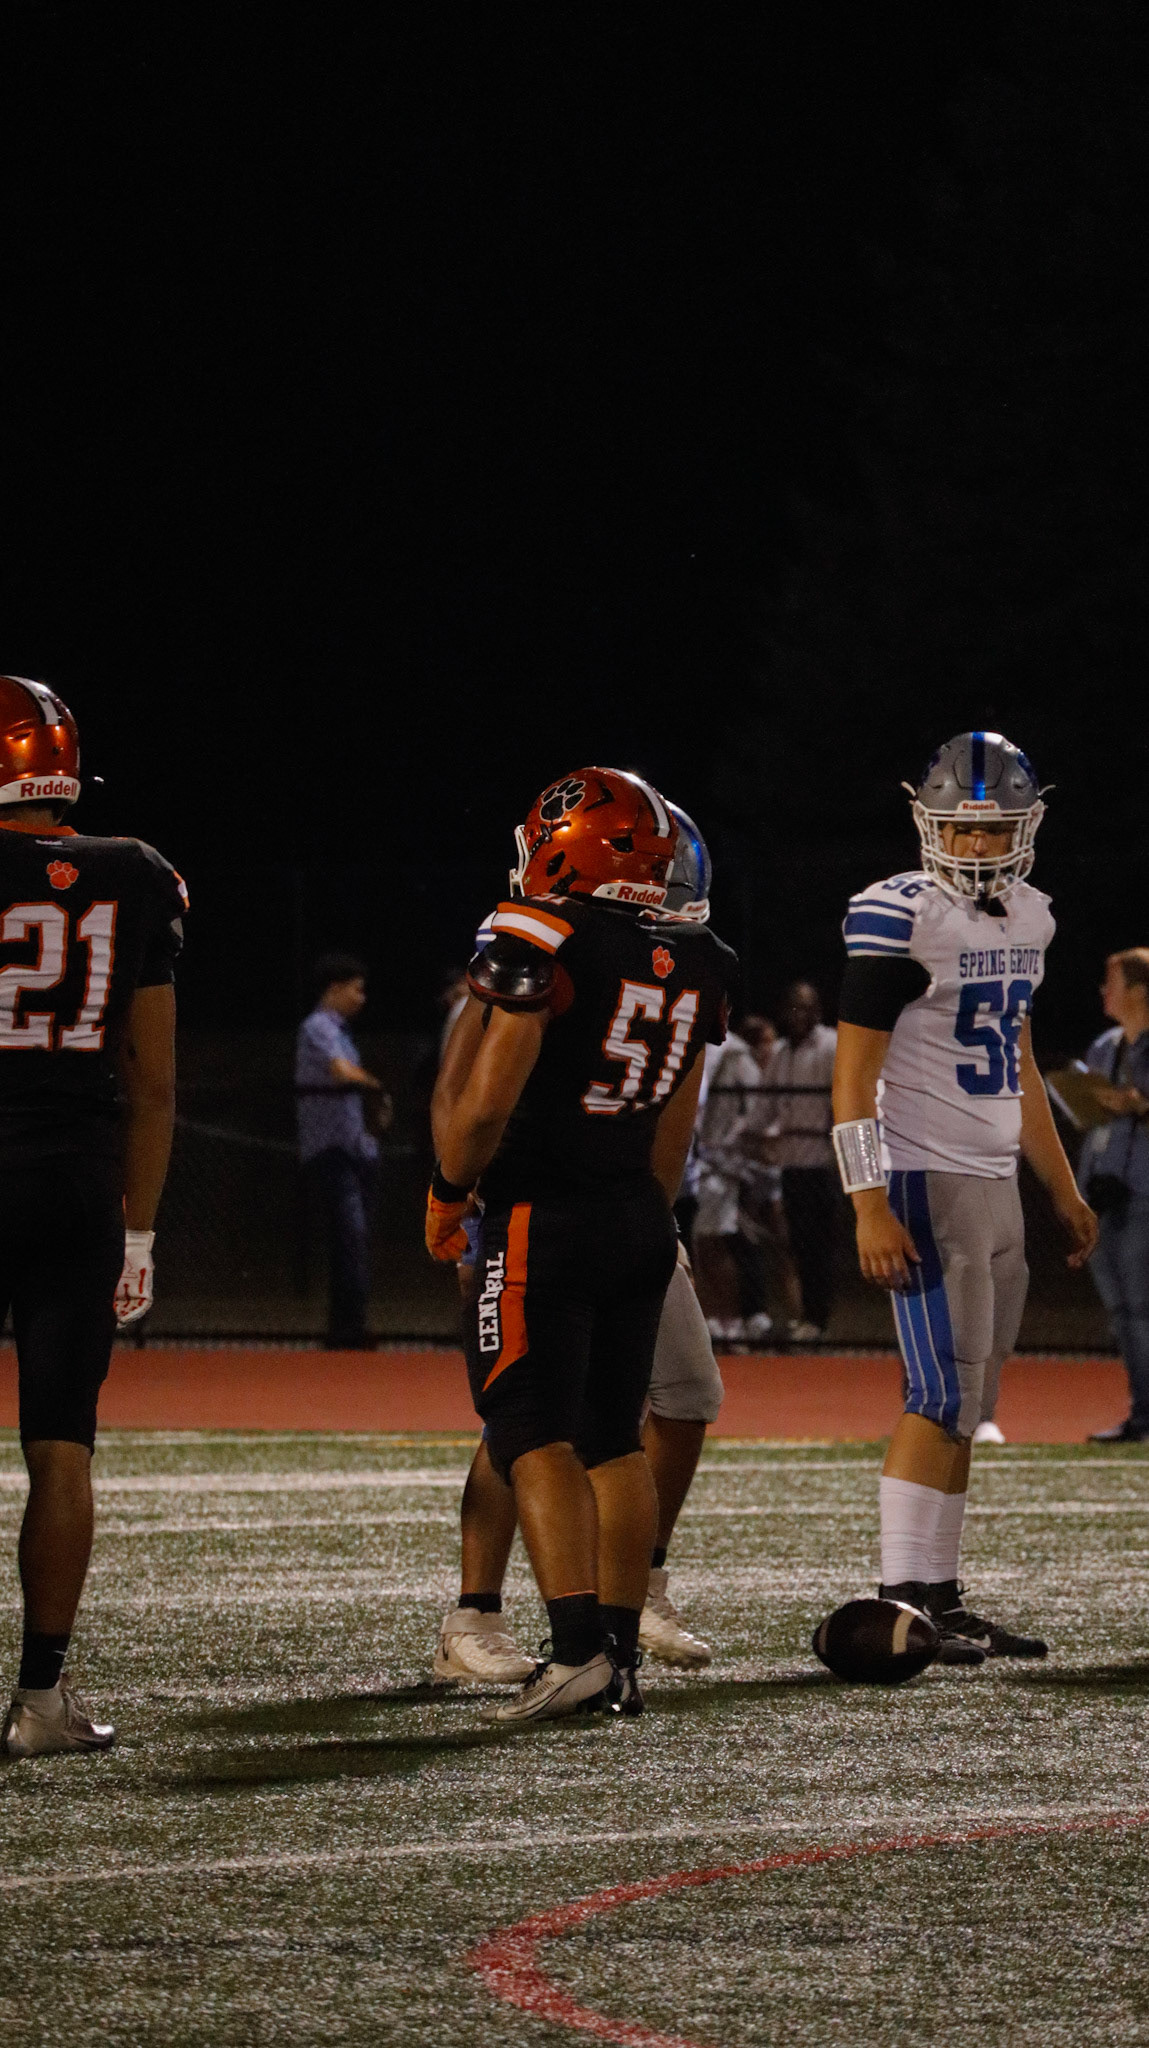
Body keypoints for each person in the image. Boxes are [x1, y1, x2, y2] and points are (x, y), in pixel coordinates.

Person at [425, 768, 737, 1724]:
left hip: (542, 1214)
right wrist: (648, 1218)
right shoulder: (700, 958)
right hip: (635, 1212)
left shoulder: (542, 933)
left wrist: (447, 1190)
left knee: (531, 1432)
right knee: (612, 1437)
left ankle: (573, 1654)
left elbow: (485, 1103)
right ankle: (619, 1651)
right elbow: (673, 1129)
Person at [831, 731, 1097, 1664]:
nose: (976, 846)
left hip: (992, 1180)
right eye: (959, 829)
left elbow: (1017, 1062)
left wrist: (1059, 1186)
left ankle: (940, 1596)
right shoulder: (900, 916)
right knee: (937, 1391)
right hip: (918, 1173)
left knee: (969, 1397)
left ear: (1026, 828)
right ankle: (902, 1599)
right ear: (927, 825)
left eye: (992, 831)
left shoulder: (1030, 917)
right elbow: (851, 1077)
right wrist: (867, 1201)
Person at [0, 674, 184, 1758]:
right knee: (61, 1445)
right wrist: (141, 1230)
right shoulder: (136, 873)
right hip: (75, 1181)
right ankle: (40, 1699)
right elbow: (153, 1084)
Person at [295, 953, 391, 1350]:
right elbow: (341, 1071)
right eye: (356, 989)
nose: (361, 998)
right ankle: (348, 1326)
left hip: (350, 1147)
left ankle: (347, 1326)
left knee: (351, 1238)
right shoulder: (319, 1026)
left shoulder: (340, 1031)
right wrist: (376, 1086)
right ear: (334, 988)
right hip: (332, 1149)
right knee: (350, 1235)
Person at [1079, 949, 1149, 1443]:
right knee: (1122, 1312)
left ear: (1139, 991)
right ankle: (1141, 1413)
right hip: (1107, 1193)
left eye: (1113, 983)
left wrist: (1139, 1104)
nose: (1105, 992)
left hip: (1145, 1191)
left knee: (1143, 1308)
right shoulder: (1105, 1047)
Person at [764, 981, 839, 1342]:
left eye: (805, 1008)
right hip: (791, 1163)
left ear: (817, 1012)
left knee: (819, 1247)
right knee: (797, 1244)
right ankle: (809, 1316)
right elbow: (765, 1104)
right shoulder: (781, 1052)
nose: (798, 1015)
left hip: (822, 1164)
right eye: (793, 1008)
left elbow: (842, 1098)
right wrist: (743, 1135)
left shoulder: (830, 1045)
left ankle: (818, 1319)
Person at [690, 1025, 772, 1346]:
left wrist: (731, 1143)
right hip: (696, 1162)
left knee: (716, 1242)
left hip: (721, 1165)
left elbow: (758, 1107)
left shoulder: (733, 1053)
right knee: (702, 1244)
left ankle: (731, 1319)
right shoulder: (696, 1045)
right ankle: (713, 1318)